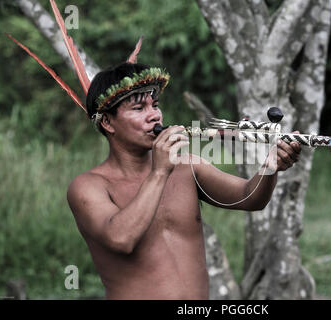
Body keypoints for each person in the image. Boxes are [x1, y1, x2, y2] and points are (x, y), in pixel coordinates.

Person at [64, 62, 300, 300]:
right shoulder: (88, 187)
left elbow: (250, 198)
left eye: (155, 105)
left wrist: (271, 167)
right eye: (138, 108)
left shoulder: (187, 167)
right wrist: (159, 173)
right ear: (107, 123)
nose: (154, 115)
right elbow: (122, 239)